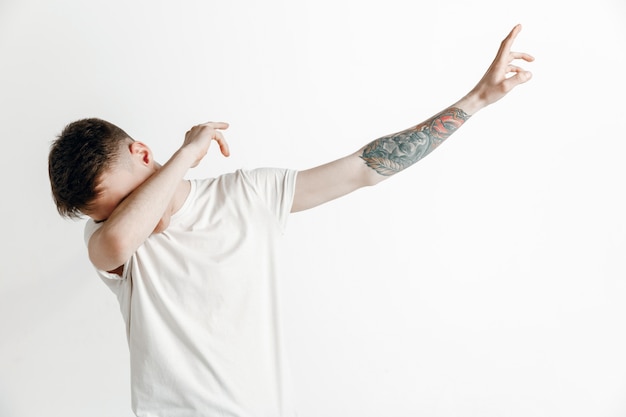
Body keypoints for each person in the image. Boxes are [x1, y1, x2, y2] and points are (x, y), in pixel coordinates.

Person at [48, 24, 533, 417]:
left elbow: (366, 167)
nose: (126, 217)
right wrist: (187, 153)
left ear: (141, 153)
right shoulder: (113, 240)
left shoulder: (246, 194)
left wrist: (476, 100)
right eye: (110, 215)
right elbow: (112, 245)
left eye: (125, 200)